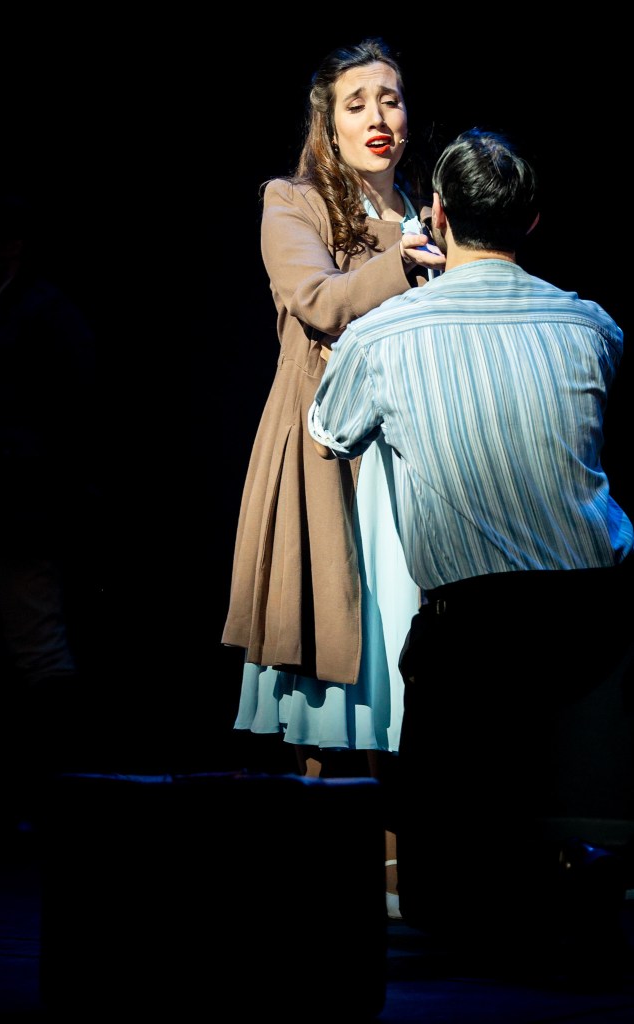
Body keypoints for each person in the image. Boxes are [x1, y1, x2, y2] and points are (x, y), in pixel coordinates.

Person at [308, 128, 634, 975]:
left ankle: (488, 896)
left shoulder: (383, 336)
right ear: (532, 220)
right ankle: (568, 874)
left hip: (473, 630)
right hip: (595, 616)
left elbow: (329, 431)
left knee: (447, 892)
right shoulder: (591, 325)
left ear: (438, 215)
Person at [221, 37, 444, 917]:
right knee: (332, 675)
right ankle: (326, 884)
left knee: (403, 673)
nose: (378, 117)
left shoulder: (429, 213)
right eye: (357, 103)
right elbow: (314, 301)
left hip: (417, 460)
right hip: (327, 460)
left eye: (390, 98)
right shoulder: (293, 202)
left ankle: (403, 874)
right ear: (329, 120)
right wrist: (404, 262)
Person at [0, 188, 101, 840]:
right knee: (8, 652)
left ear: (12, 244)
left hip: (21, 509)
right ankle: (10, 799)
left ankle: (56, 802)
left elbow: (75, 412)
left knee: (39, 650)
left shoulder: (44, 313)